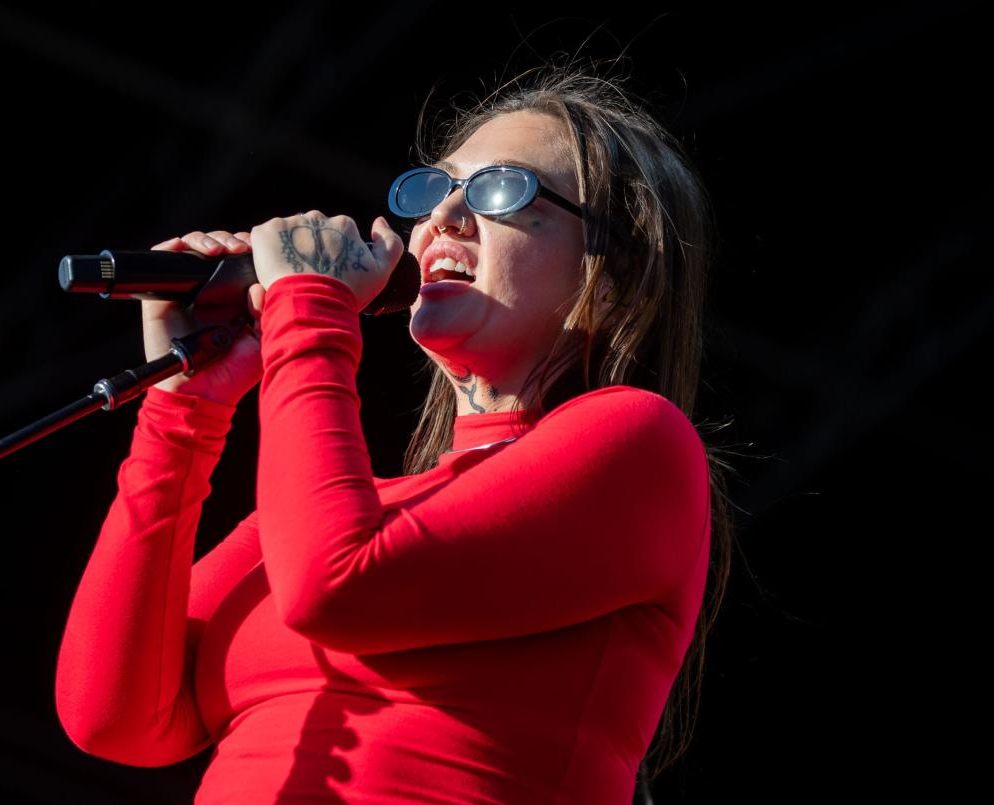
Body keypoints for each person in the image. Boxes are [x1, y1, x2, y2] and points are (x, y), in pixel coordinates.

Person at [55, 63, 734, 804]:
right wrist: (185, 411)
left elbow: (334, 586)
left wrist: (307, 307)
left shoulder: (641, 445)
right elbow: (113, 715)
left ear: (613, 277)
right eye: (435, 190)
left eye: (499, 189)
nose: (442, 217)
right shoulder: (352, 509)